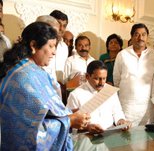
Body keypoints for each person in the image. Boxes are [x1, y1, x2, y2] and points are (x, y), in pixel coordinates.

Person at [0, 22, 90, 150]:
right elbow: (30, 133)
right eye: (51, 46)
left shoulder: (35, 70)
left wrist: (67, 114)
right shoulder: (23, 77)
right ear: (34, 46)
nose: (54, 52)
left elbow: (44, 111)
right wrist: (69, 121)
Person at [113, 23, 154, 126]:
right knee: (125, 139)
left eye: (143, 34)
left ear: (147, 37)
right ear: (131, 36)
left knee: (146, 140)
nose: (140, 38)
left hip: (147, 109)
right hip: (127, 107)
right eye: (137, 34)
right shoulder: (122, 55)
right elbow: (116, 80)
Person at [67, 60, 131, 134]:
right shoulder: (75, 95)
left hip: (109, 137)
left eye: (104, 78)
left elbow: (117, 112)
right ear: (87, 76)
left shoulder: (109, 90)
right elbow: (70, 122)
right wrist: (87, 127)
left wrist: (121, 121)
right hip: (86, 136)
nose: (101, 83)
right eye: (97, 79)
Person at [50, 10, 69, 84]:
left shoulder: (64, 47)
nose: (61, 28)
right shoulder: (41, 44)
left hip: (58, 89)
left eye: (64, 26)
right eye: (59, 24)